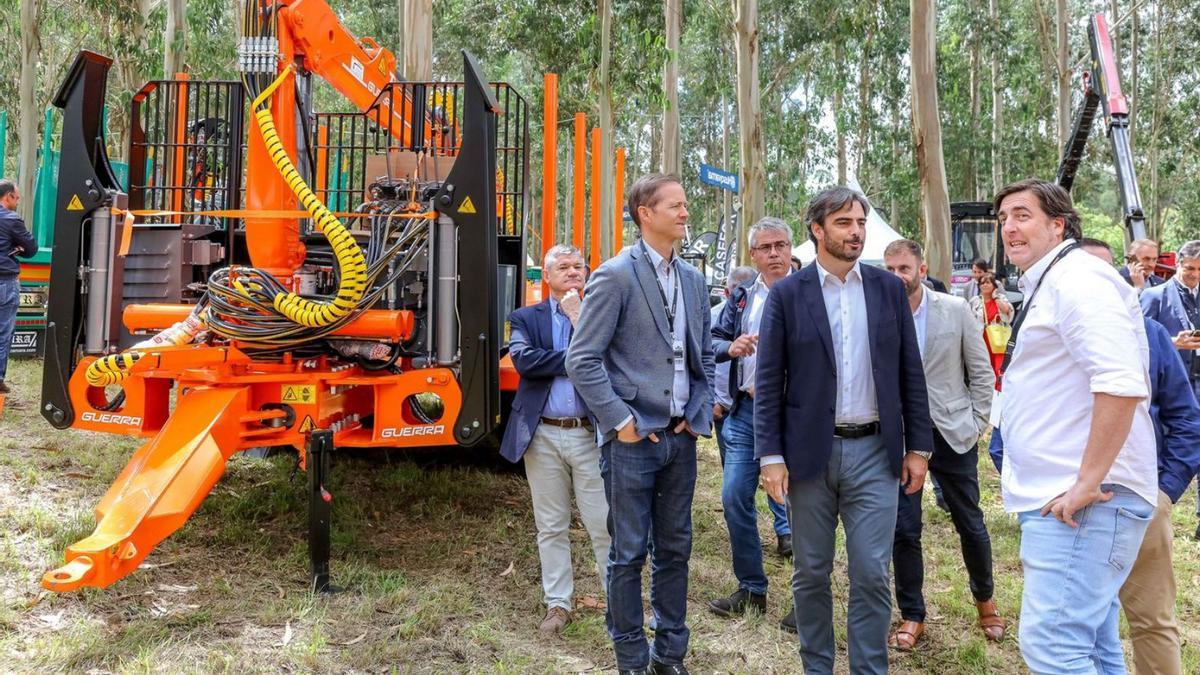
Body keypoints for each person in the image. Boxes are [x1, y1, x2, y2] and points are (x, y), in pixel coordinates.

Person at [756, 186, 932, 675]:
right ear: (817, 230)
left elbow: (909, 373)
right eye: (844, 223)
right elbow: (769, 381)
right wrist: (770, 456)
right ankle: (817, 666)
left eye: (860, 223)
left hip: (877, 454)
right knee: (811, 573)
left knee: (872, 574)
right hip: (809, 457)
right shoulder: (788, 294)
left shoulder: (886, 289)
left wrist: (918, 447)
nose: (856, 232)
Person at [993, 179, 1157, 674]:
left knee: (1054, 648)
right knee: (1095, 650)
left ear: (1058, 224)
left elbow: (1120, 382)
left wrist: (1086, 484)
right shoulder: (1052, 281)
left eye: (1022, 214)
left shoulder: (1078, 279)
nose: (1009, 228)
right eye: (1003, 219)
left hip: (1085, 501)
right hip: (1069, 498)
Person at [566, 173, 714, 675]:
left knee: (676, 550)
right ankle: (631, 657)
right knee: (627, 554)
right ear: (645, 214)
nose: (685, 212)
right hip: (632, 440)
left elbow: (705, 359)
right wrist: (619, 422)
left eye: (685, 205)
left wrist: (698, 415)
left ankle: (669, 655)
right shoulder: (615, 275)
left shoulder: (693, 280)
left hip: (680, 437)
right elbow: (582, 359)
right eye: (675, 205)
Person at [1076, 237, 1200, 675]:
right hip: (1065, 508)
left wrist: (1166, 491)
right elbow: (1010, 422)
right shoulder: (1043, 332)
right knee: (1076, 627)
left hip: (1142, 499)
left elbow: (1186, 418)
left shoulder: (1148, 336)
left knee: (1152, 621)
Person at [882, 240, 1004, 651]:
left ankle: (985, 599)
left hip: (953, 432)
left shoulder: (954, 310)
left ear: (921, 267)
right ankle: (912, 613)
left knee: (969, 521)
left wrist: (977, 424)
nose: (897, 275)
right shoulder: (880, 312)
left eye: (904, 267)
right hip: (900, 437)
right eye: (890, 268)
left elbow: (981, 372)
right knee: (904, 528)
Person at [499, 244, 610, 634]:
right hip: (543, 435)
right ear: (546, 277)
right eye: (563, 267)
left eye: (579, 266)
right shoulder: (525, 317)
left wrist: (579, 319)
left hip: (589, 433)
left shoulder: (599, 314)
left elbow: (612, 362)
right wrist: (581, 358)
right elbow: (525, 361)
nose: (573, 272)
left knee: (604, 524)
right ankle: (558, 604)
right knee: (551, 526)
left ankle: (619, 602)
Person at [707, 217, 795, 624]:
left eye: (780, 245)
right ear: (754, 255)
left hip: (795, 418)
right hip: (746, 414)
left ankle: (805, 600)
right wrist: (732, 346)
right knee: (732, 497)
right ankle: (751, 589)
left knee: (801, 506)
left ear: (791, 249)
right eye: (765, 247)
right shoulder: (742, 298)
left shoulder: (810, 291)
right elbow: (713, 342)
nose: (774, 253)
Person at [1139, 239, 1200, 539]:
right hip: (1172, 385)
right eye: (1189, 269)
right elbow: (1142, 341)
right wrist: (1174, 343)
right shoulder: (1154, 296)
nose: (1194, 275)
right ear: (1177, 264)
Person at [712, 266, 757, 467]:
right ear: (727, 293)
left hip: (761, 403)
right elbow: (704, 356)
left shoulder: (765, 307)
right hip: (726, 407)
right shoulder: (713, 317)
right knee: (732, 476)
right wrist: (711, 400)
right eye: (736, 293)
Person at [0, 179, 36, 394]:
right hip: (4, 281)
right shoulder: (11, 220)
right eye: (17, 197)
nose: (18, 200)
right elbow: (31, 248)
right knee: (2, 332)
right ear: (8, 197)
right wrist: (17, 248)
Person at [969, 272, 1014, 381]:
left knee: (999, 367)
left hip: (998, 338)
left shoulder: (1001, 298)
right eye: (982, 283)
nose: (985, 285)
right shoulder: (975, 301)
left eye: (988, 283)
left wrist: (996, 298)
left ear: (994, 285)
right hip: (981, 338)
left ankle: (998, 390)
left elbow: (1008, 312)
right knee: (983, 367)